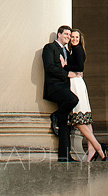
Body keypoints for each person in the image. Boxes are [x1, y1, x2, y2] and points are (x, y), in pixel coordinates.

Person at [66, 29, 107, 161]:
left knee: (78, 119)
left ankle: (97, 147)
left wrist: (65, 66)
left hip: (76, 84)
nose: (74, 39)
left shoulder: (77, 50)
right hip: (77, 82)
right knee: (86, 119)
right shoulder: (74, 50)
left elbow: (79, 67)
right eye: (72, 37)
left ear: (80, 39)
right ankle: (92, 150)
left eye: (76, 37)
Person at [42, 25, 79, 162]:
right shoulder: (50, 48)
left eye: (70, 35)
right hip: (54, 87)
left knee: (65, 123)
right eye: (66, 34)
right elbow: (49, 67)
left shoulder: (67, 53)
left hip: (65, 87)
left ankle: (65, 156)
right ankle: (55, 115)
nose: (68, 37)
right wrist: (67, 74)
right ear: (59, 34)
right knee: (73, 100)